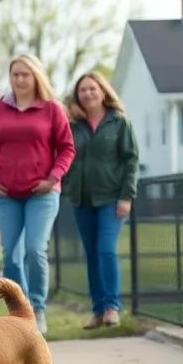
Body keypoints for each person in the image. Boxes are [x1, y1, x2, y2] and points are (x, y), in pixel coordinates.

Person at [0, 54, 76, 334]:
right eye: (15, 74)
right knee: (11, 255)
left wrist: (53, 177)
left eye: (25, 74)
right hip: (6, 193)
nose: (20, 79)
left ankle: (38, 309)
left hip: (42, 193)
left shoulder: (52, 109)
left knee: (35, 249)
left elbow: (67, 148)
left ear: (36, 77)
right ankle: (18, 314)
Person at [61, 71, 140, 329]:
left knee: (106, 249)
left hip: (112, 198)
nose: (88, 93)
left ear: (103, 91)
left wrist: (126, 196)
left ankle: (111, 307)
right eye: (82, 90)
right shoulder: (73, 125)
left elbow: (131, 160)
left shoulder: (118, 122)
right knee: (92, 254)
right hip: (82, 199)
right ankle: (97, 311)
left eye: (92, 88)